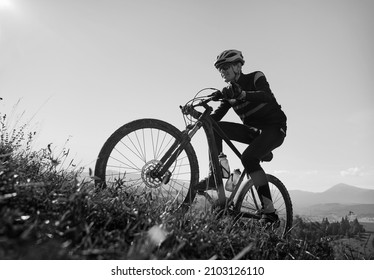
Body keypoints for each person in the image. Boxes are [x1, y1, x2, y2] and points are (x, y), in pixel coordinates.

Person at [195, 49, 287, 225]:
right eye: (220, 68)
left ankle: (269, 212)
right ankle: (217, 175)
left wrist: (243, 94)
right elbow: (216, 118)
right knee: (215, 128)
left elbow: (266, 96)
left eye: (226, 66)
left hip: (274, 129)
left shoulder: (255, 77)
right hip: (253, 132)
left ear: (238, 66)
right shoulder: (228, 92)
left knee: (248, 158)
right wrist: (200, 119)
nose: (222, 71)